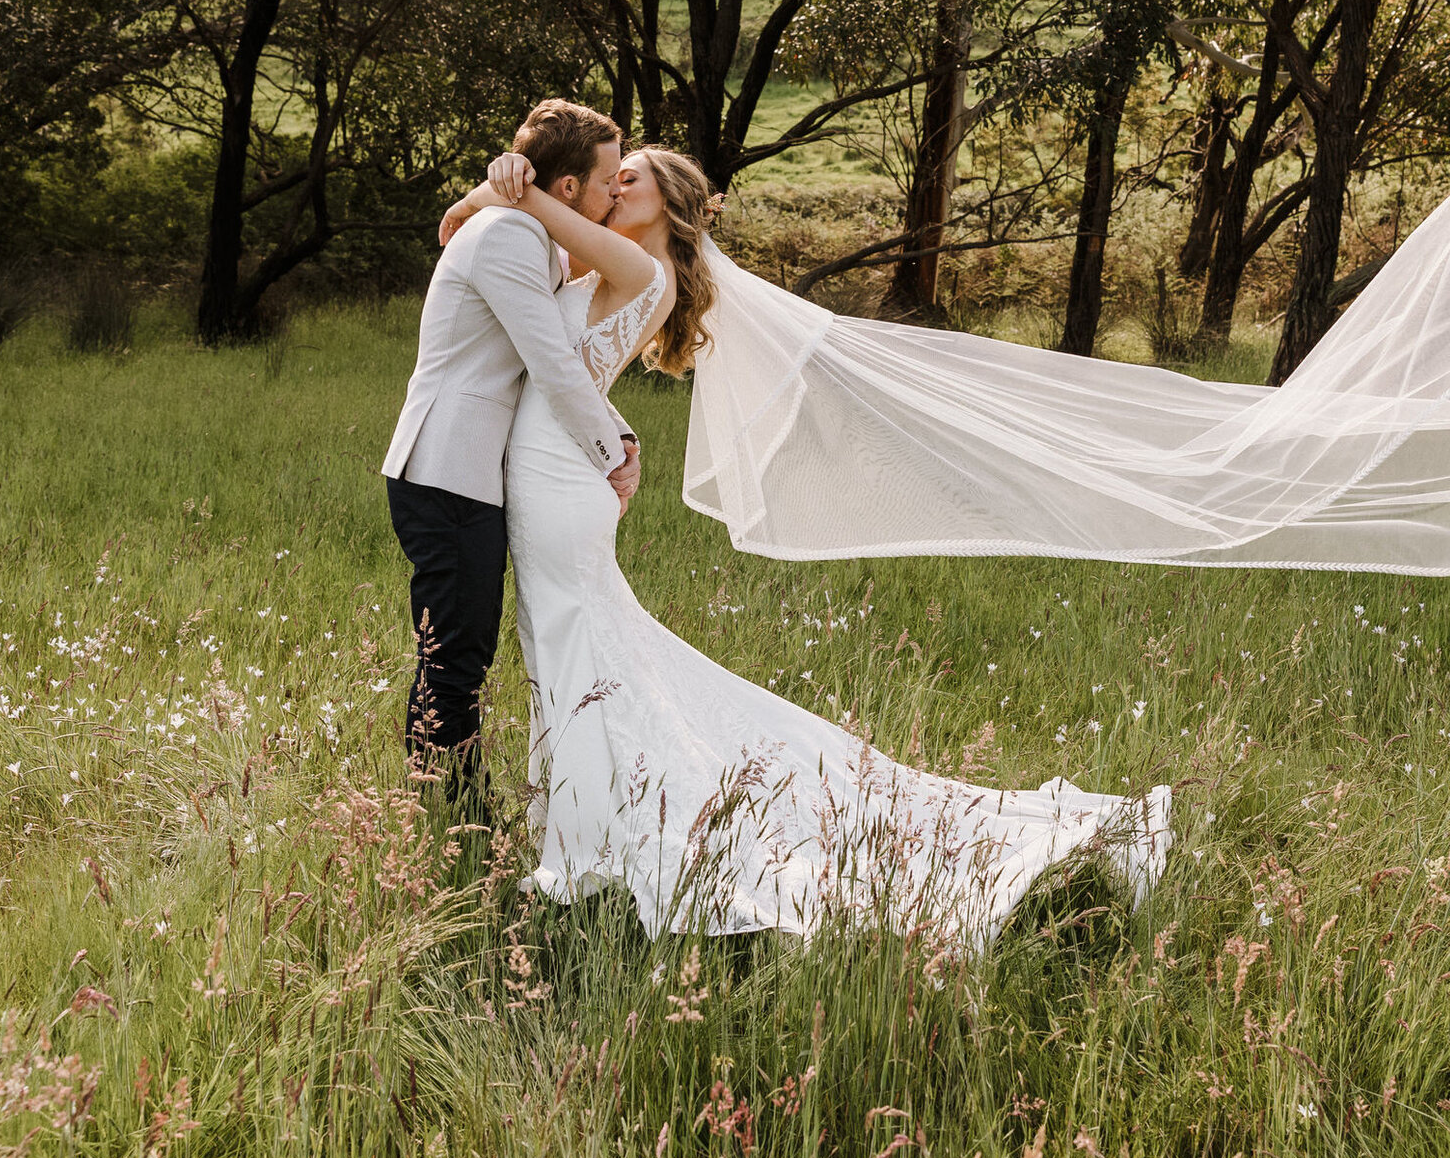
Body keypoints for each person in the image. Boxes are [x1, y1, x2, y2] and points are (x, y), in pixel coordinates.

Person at [432, 142, 1170, 943]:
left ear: (666, 203)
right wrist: (497, 187)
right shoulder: (611, 262)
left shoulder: (643, 271)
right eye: (613, 175)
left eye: (629, 176)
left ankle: (594, 844)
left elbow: (537, 225)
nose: (615, 184)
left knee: (580, 639)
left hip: (564, 488)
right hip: (555, 475)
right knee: (571, 640)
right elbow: (471, 237)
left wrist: (517, 181)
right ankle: (584, 831)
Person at [381, 99, 640, 813]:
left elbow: (551, 364)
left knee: (464, 654)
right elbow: (552, 364)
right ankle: (448, 814)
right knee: (455, 659)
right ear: (567, 189)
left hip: (468, 477)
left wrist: (622, 434)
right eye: (608, 178)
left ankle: (452, 807)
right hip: (445, 473)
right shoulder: (507, 237)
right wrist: (610, 450)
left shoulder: (531, 235)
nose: (616, 190)